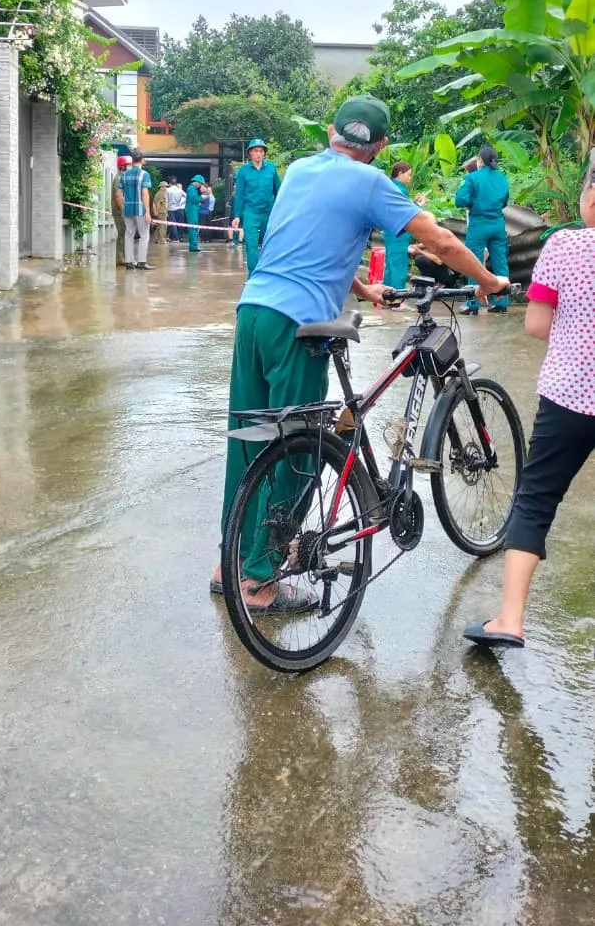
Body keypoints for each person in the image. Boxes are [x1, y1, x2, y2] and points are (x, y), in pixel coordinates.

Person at [210, 95, 509, 611]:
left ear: (332, 132)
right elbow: (437, 237)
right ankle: (259, 582)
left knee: (249, 441)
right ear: (381, 146)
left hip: (254, 312)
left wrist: (364, 290)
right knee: (298, 450)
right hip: (299, 327)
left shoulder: (300, 169)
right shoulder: (373, 181)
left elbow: (298, 242)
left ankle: (228, 565)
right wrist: (487, 280)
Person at [464, 156, 595, 649]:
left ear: (591, 196)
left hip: (569, 396)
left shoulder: (564, 245)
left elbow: (537, 324)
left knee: (536, 499)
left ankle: (510, 620)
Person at [455, 144, 510, 315]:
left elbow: (460, 200)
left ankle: (473, 304)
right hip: (498, 224)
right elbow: (505, 202)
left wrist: (473, 204)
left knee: (474, 262)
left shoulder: (473, 178)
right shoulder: (502, 178)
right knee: (500, 261)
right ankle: (502, 301)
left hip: (479, 224)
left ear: (480, 160)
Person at [231, 139, 281, 276]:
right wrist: (236, 215)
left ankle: (267, 272)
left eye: (261, 151)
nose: (258, 154)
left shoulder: (271, 169)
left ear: (264, 153)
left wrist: (282, 210)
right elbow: (239, 194)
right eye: (255, 151)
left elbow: (279, 191)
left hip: (269, 212)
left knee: (269, 244)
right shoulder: (243, 171)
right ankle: (253, 274)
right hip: (251, 212)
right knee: (251, 244)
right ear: (250, 153)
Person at [382, 162, 423, 291]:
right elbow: (405, 213)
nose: (410, 178)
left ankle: (387, 296)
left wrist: (413, 202)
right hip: (399, 233)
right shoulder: (400, 189)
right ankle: (397, 299)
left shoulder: (391, 186)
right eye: (408, 175)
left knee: (390, 265)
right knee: (399, 266)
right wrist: (419, 206)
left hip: (390, 231)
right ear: (400, 173)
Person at [118, 148, 154, 270]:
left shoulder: (124, 175)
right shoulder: (145, 175)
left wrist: (123, 208)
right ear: (142, 160)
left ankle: (129, 262)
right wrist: (148, 211)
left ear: (132, 160)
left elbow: (119, 193)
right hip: (140, 209)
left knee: (129, 235)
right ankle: (141, 263)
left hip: (128, 209)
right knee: (144, 235)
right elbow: (145, 193)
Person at [111, 154, 132, 267]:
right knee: (123, 233)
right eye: (128, 165)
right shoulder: (119, 178)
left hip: (122, 209)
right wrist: (123, 211)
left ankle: (123, 257)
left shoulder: (123, 178)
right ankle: (120, 258)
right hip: (119, 211)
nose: (130, 167)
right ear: (122, 166)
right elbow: (118, 196)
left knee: (124, 233)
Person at [186, 174, 206, 253]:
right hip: (191, 210)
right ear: (198, 182)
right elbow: (194, 199)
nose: (200, 186)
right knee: (193, 228)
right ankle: (193, 246)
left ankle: (194, 245)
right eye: (201, 184)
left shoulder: (193, 189)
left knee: (194, 228)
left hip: (193, 210)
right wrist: (201, 198)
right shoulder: (191, 188)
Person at [166, 177, 184, 242]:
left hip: (171, 209)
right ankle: (171, 237)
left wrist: (166, 211)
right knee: (176, 224)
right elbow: (186, 196)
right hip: (178, 208)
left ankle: (176, 238)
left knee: (173, 224)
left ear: (170, 183)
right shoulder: (180, 190)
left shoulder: (167, 190)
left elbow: (166, 200)